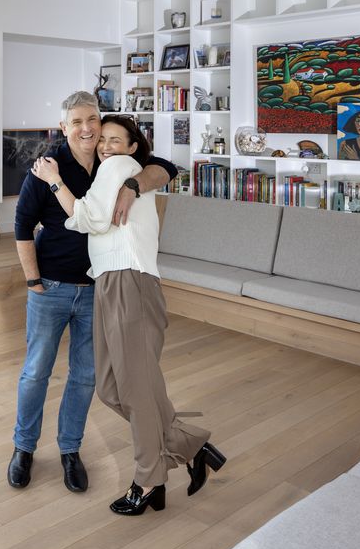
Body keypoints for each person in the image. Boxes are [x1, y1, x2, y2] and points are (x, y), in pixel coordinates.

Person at [31, 114, 226, 515]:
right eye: (103, 139)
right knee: (111, 388)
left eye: (115, 140)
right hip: (111, 283)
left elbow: (88, 219)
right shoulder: (121, 170)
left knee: (134, 390)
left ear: (132, 148)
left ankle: (148, 481)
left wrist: (54, 181)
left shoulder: (119, 166)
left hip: (128, 282)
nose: (106, 146)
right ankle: (191, 445)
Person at [8, 92, 178, 493]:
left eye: (93, 120)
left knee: (85, 376)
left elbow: (167, 168)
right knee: (36, 372)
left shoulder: (111, 161)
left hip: (97, 290)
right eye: (77, 122)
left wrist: (133, 185)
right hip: (50, 288)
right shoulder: (47, 168)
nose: (87, 129)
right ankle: (23, 448)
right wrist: (33, 281)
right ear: (63, 127)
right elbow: (21, 227)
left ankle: (70, 450)